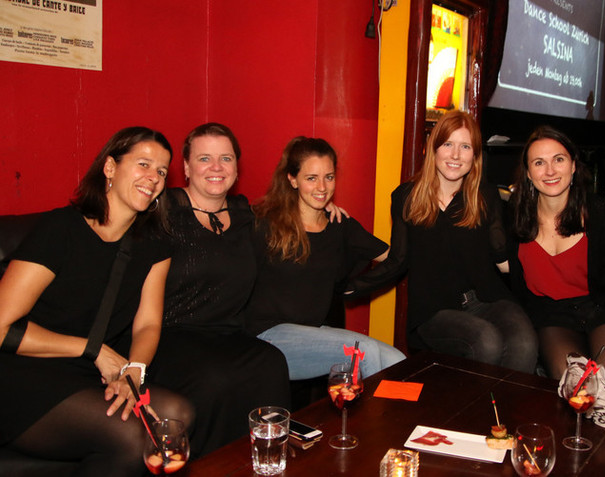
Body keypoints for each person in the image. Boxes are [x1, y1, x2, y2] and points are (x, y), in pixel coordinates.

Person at [0, 127, 194, 476]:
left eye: (162, 171)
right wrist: (94, 350)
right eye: (143, 164)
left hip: (90, 373)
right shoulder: (60, 230)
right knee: (130, 437)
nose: (153, 178)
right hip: (23, 372)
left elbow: (148, 324)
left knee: (178, 414)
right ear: (109, 167)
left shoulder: (154, 245)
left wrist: (134, 371)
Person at [347, 110, 538, 373]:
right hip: (434, 309)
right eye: (448, 144)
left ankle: (503, 402)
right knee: (486, 341)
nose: (456, 155)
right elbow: (398, 260)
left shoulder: (485, 195)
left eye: (465, 146)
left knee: (525, 342)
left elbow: (501, 255)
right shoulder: (407, 197)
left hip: (486, 298)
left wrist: (542, 274)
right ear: (432, 148)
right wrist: (351, 287)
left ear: (475, 155)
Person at [147, 123, 291, 457]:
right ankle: (210, 465)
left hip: (228, 333)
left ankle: (266, 458)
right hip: (168, 334)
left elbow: (295, 217)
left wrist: (326, 210)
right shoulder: (161, 210)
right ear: (185, 167)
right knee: (214, 378)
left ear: (237, 168)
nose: (216, 167)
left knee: (271, 362)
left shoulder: (245, 215)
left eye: (225, 158)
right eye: (204, 158)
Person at [245, 136, 405, 379]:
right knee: (363, 352)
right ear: (293, 179)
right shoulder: (266, 223)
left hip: (313, 333)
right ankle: (372, 407)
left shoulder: (339, 224)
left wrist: (356, 287)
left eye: (328, 177)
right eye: (311, 178)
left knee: (398, 361)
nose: (322, 187)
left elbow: (395, 258)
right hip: (267, 336)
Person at [507, 126, 605, 379]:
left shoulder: (600, 213)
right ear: (528, 173)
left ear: (573, 165)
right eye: (539, 163)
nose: (550, 171)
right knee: (575, 384)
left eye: (559, 159)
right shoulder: (514, 216)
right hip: (551, 318)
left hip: (600, 310)